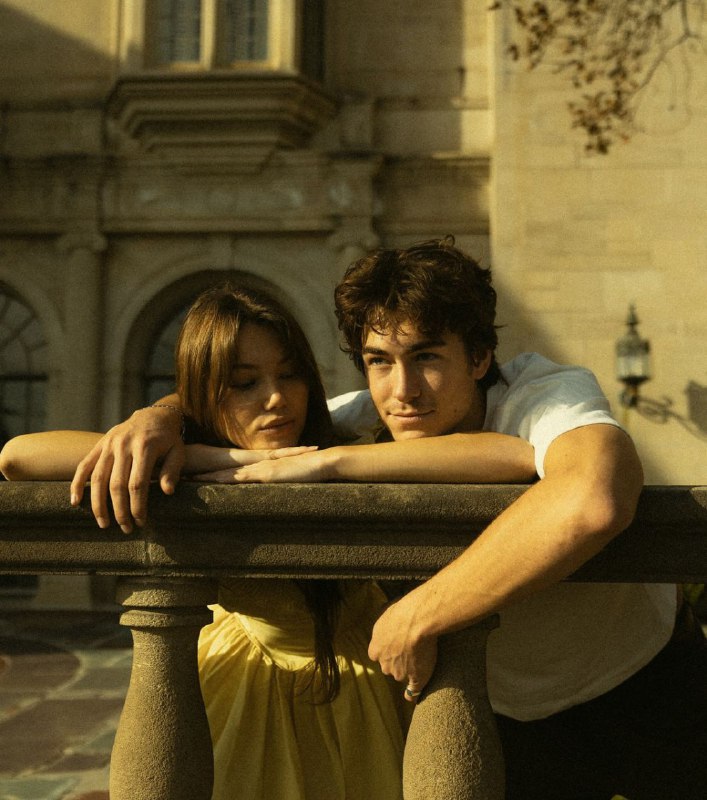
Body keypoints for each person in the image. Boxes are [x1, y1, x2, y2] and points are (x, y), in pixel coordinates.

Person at [65, 237, 707, 799]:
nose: (403, 391)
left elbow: (596, 497)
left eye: (426, 356)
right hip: (502, 717)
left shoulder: (545, 394)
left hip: (645, 679)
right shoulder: (364, 418)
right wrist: (159, 416)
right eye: (379, 361)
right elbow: (227, 400)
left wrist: (420, 610)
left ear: (480, 357)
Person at [0, 279, 536, 800]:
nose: (277, 398)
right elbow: (18, 458)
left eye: (290, 374)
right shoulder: (197, 463)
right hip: (245, 695)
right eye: (244, 383)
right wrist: (201, 449)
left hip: (368, 697)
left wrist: (330, 464)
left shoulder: (339, 443)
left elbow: (513, 456)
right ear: (205, 393)